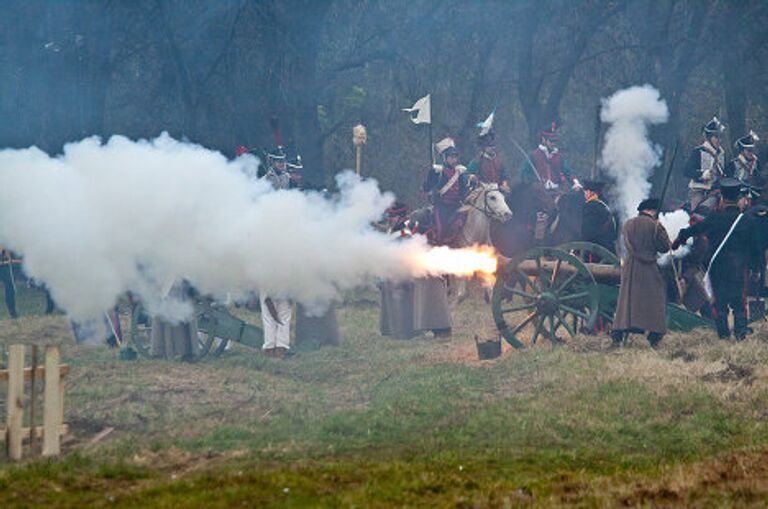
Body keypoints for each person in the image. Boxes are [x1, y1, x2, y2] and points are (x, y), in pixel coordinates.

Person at [672, 178, 753, 340]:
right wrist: (753, 266)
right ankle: (740, 334)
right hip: (738, 266)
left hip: (718, 266)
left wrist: (680, 238)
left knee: (720, 303)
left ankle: (723, 335)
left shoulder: (715, 217)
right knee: (739, 302)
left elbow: (695, 229)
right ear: (738, 199)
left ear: (722, 197)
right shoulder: (746, 220)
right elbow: (752, 245)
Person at [611, 198, 672, 348]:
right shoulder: (656, 226)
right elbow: (665, 247)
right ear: (653, 210)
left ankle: (619, 333)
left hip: (631, 267)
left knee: (627, 302)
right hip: (649, 268)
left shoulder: (628, 224)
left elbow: (626, 244)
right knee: (654, 303)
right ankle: (654, 335)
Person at [259, 145, 294, 358]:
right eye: (278, 161)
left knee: (283, 308)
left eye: (283, 161)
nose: (281, 164)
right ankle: (271, 345)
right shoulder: (265, 182)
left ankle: (280, 346)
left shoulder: (288, 179)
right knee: (270, 307)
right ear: (272, 162)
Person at [378, 202, 418, 339]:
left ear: (401, 217)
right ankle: (390, 329)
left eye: (393, 216)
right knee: (389, 303)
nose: (390, 219)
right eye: (390, 216)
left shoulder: (404, 234)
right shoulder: (392, 232)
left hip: (402, 276)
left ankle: (404, 332)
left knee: (402, 304)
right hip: (390, 274)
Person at [423, 138, 470, 246]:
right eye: (451, 157)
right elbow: (428, 187)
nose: (454, 159)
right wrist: (432, 178)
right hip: (442, 205)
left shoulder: (460, 172)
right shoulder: (438, 172)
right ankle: (440, 246)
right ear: (445, 158)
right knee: (442, 228)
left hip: (457, 204)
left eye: (455, 157)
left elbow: (462, 188)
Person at [520, 122, 581, 193]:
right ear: (543, 139)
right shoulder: (533, 155)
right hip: (538, 193)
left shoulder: (559, 157)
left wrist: (575, 183)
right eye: (551, 141)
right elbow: (524, 174)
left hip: (556, 191)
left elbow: (568, 172)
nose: (553, 143)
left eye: (554, 141)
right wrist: (536, 181)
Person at [684, 116, 726, 211]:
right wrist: (702, 174)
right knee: (701, 211)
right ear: (709, 137)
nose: (719, 140)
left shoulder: (721, 153)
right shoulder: (698, 151)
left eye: (720, 137)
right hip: (699, 190)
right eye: (716, 137)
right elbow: (687, 171)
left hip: (717, 190)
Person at [580, 180, 618, 254]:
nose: (584, 193)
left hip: (595, 251)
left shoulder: (590, 206)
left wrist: (578, 249)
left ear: (591, 192)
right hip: (609, 248)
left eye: (585, 191)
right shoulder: (606, 204)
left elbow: (587, 232)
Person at [0, 247, 18, 319]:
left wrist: (8, 256)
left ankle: (12, 313)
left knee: (10, 288)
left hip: (4, 263)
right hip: (4, 261)